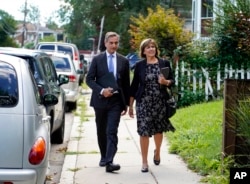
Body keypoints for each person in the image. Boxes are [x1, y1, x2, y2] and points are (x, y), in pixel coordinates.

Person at [128, 38, 175, 173]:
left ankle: (158, 151)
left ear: (156, 49)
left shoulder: (164, 63)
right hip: (143, 102)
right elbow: (134, 86)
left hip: (160, 101)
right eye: (148, 47)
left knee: (158, 130)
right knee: (143, 131)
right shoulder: (139, 66)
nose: (151, 49)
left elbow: (172, 81)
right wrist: (130, 106)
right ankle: (144, 162)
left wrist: (165, 82)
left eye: (153, 46)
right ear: (143, 51)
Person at [86, 31, 130, 173]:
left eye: (116, 43)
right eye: (111, 43)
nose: (114, 45)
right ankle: (104, 156)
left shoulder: (124, 61)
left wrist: (127, 104)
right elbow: (89, 79)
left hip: (116, 101)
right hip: (100, 100)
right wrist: (101, 91)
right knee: (101, 130)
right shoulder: (97, 59)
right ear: (105, 43)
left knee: (112, 130)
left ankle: (110, 161)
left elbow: (126, 84)